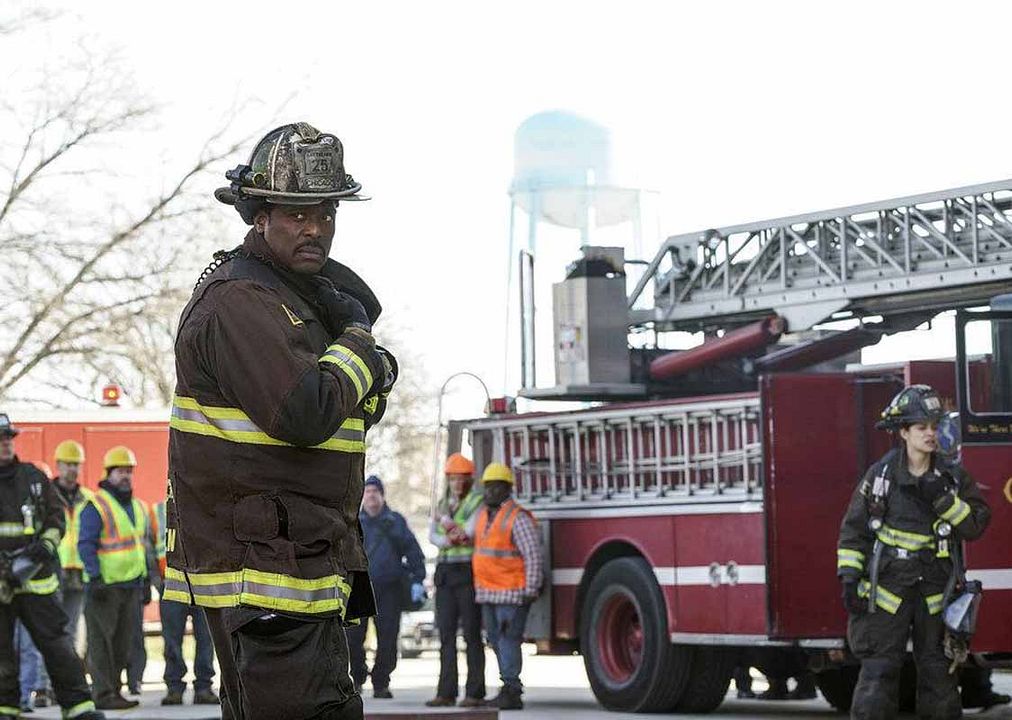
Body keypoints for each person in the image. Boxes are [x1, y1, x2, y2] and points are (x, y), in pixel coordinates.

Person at [165, 122, 396, 720]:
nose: (315, 227)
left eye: (325, 212)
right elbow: (308, 411)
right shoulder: (244, 302)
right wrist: (363, 348)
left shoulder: (295, 303)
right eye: (296, 213)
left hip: (293, 559)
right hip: (266, 571)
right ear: (258, 216)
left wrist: (355, 362)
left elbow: (355, 411)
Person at [837, 385, 991, 720]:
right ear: (903, 432)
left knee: (939, 674)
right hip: (887, 590)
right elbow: (854, 530)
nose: (930, 434)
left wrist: (944, 500)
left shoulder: (951, 477)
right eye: (922, 427)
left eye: (934, 427)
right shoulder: (880, 477)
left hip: (937, 590)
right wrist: (849, 577)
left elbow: (976, 525)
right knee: (878, 672)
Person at [0, 413, 104, 719]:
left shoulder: (33, 478)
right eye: (1, 439)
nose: (6, 443)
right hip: (1, 583)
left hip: (36, 579)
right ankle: (5, 708)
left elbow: (56, 518)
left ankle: (79, 707)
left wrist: (43, 548)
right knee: (1, 649)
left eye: (9, 438)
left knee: (58, 644)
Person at [78, 446, 147, 711]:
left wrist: (143, 581)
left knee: (122, 644)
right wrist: (95, 577)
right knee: (101, 644)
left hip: (129, 586)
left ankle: (114, 692)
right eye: (121, 471)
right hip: (103, 588)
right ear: (109, 474)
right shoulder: (97, 505)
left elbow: (140, 547)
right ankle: (104, 694)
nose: (126, 476)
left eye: (129, 471)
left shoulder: (137, 507)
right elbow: (86, 545)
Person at [472, 463, 543, 711]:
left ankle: (512, 690)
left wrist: (530, 589)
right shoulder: (483, 516)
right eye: (487, 487)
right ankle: (507, 685)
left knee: (508, 641)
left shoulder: (518, 517)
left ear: (507, 488)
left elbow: (533, 555)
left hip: (512, 595)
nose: (489, 492)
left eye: (495, 487)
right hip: (488, 593)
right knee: (496, 641)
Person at [346, 476, 425, 699]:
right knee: (352, 638)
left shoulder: (394, 521)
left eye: (375, 491)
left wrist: (417, 579)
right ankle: (357, 678)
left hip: (389, 590)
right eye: (367, 491)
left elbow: (413, 552)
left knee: (388, 639)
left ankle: (381, 682)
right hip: (358, 589)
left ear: (382, 495)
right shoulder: (353, 521)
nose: (371, 495)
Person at [425, 453, 486, 708]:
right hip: (445, 574)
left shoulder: (477, 502)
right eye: (453, 479)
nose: (457, 484)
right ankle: (446, 692)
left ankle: (474, 693)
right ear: (448, 479)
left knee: (472, 634)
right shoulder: (441, 504)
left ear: (469, 480)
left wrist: (448, 528)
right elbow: (432, 536)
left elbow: (468, 535)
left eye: (462, 479)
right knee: (446, 636)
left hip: (467, 572)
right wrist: (450, 536)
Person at [157, 499, 219, 707]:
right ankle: (174, 688)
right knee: (172, 640)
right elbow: (149, 545)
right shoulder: (159, 511)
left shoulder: (207, 508)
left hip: (203, 583)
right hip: (172, 584)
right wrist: (157, 580)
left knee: (206, 638)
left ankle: (203, 687)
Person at [52, 440, 92, 646]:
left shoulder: (88, 498)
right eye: (68, 464)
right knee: (50, 628)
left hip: (78, 573)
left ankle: (68, 676)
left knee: (72, 629)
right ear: (58, 465)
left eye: (76, 464)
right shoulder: (47, 495)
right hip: (52, 571)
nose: (72, 469)